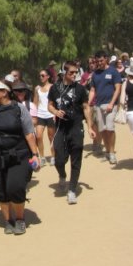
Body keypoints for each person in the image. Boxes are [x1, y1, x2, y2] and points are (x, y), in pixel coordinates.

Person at [0, 78, 40, 234]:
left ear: (5, 92)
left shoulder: (19, 109)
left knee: (16, 187)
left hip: (18, 155)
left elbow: (29, 133)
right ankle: (8, 221)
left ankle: (19, 219)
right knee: (2, 191)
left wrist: (35, 154)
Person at [47, 61, 96, 204]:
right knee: (59, 159)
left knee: (76, 159)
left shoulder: (80, 89)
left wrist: (89, 127)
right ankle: (62, 175)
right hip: (61, 128)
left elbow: (86, 107)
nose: (75, 75)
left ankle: (72, 190)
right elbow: (49, 105)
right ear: (64, 73)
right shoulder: (55, 88)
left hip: (76, 127)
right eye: (71, 72)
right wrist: (56, 111)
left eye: (76, 72)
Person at [89, 50, 122, 165]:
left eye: (101, 60)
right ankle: (107, 151)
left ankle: (112, 152)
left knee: (110, 128)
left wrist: (112, 103)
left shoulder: (113, 72)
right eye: (98, 61)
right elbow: (93, 90)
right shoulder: (95, 74)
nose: (100, 63)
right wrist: (88, 103)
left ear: (106, 59)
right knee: (102, 130)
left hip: (110, 104)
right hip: (98, 105)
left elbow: (118, 88)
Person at [33, 69, 56, 166]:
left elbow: (56, 101)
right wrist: (33, 115)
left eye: (43, 75)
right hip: (40, 115)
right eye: (40, 75)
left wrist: (55, 113)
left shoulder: (53, 87)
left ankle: (53, 157)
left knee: (51, 137)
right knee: (38, 136)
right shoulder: (37, 88)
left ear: (48, 76)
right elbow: (35, 102)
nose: (41, 77)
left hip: (50, 115)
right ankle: (42, 157)